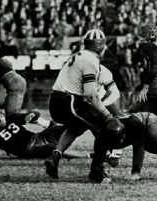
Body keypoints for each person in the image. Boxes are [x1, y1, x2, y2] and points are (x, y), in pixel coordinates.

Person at [44, 29, 116, 179]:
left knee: (76, 127)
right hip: (68, 101)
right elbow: (91, 94)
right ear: (100, 46)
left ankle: (54, 157)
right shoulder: (91, 61)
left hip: (56, 100)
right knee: (103, 127)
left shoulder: (78, 55)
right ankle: (97, 170)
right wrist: (107, 115)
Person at [0, 109, 118, 167]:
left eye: (2, 116)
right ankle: (94, 155)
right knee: (55, 149)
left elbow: (32, 115)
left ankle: (103, 137)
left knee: (70, 127)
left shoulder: (12, 119)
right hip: (28, 149)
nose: (1, 119)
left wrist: (31, 115)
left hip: (38, 136)